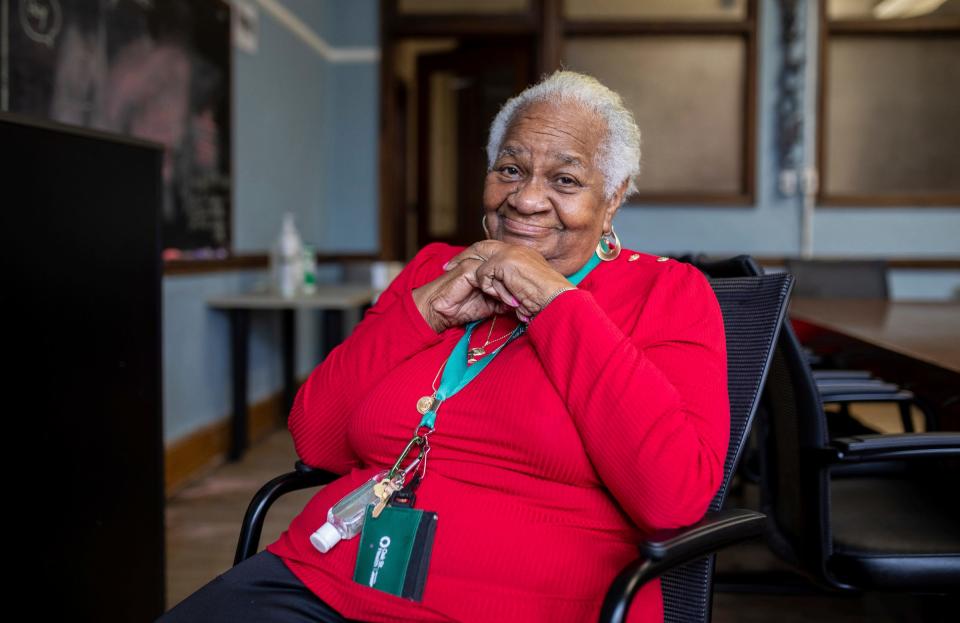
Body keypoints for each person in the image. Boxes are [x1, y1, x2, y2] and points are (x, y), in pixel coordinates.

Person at [158, 70, 728, 623]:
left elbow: (672, 498)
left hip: (526, 605)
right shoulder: (437, 268)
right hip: (325, 578)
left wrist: (553, 303)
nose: (526, 200)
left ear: (612, 200)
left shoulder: (668, 294)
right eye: (510, 169)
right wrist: (424, 311)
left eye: (565, 181)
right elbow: (318, 439)